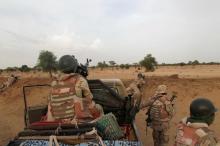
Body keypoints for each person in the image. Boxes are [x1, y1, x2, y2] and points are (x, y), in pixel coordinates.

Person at [46, 55, 103, 123]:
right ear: (74, 67)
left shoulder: (54, 83)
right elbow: (90, 103)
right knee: (99, 108)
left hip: (56, 123)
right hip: (76, 123)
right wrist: (97, 115)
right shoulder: (80, 80)